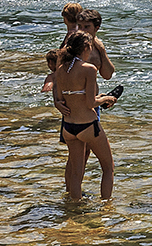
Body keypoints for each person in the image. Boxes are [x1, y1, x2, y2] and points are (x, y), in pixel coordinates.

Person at [52, 31, 114, 198]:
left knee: (76, 174)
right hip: (87, 125)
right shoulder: (89, 69)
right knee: (108, 168)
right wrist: (107, 98)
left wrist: (97, 98)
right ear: (85, 48)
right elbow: (90, 103)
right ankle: (107, 208)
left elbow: (62, 98)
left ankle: (74, 210)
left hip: (68, 127)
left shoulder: (60, 69)